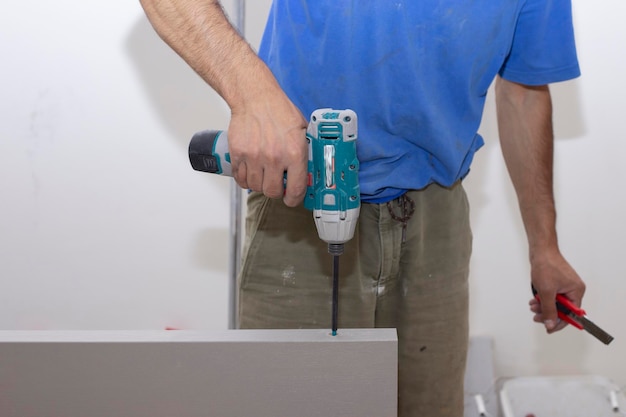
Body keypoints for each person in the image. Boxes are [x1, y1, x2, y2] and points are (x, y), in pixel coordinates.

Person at [140, 1, 587, 416]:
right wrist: (253, 95)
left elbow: (525, 92)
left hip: (437, 219)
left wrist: (545, 247)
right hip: (300, 205)